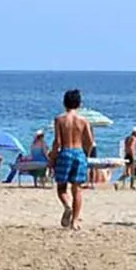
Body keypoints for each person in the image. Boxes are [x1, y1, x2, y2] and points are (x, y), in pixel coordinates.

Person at [51, 89, 94, 229]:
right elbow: (90, 142)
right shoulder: (83, 121)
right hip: (79, 152)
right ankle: (74, 221)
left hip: (65, 152)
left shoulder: (59, 119)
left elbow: (57, 142)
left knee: (61, 188)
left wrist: (53, 157)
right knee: (77, 190)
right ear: (79, 104)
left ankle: (67, 206)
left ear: (64, 103)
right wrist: (85, 155)